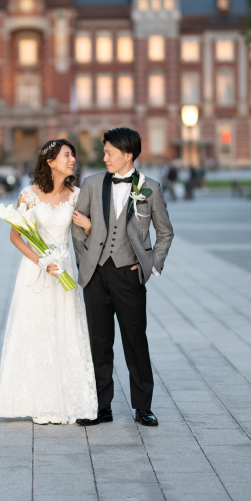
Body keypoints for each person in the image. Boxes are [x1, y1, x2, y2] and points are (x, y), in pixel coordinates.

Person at [72, 127, 174, 427]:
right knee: (99, 342)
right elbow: (78, 228)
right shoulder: (91, 184)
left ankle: (143, 406)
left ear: (128, 155)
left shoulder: (150, 188)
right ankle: (101, 407)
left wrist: (150, 266)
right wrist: (86, 264)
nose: (104, 157)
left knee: (135, 341)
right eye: (104, 151)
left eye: (109, 152)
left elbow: (165, 232)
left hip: (130, 274)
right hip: (96, 275)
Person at [0, 139, 98, 425]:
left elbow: (90, 236)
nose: (73, 159)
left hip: (64, 268)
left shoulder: (78, 195)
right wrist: (40, 260)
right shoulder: (29, 195)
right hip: (36, 270)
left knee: (65, 329)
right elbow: (16, 236)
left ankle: (67, 399)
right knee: (36, 331)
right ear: (51, 161)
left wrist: (88, 227)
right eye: (67, 155)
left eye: (73, 155)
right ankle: (39, 400)